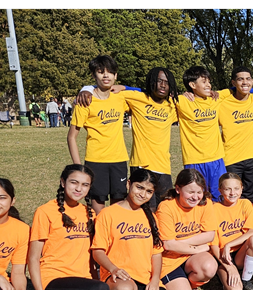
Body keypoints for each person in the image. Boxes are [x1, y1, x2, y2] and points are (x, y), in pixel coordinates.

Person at [28, 165, 128, 290]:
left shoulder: (89, 213)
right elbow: (33, 257)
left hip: (86, 283)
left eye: (85, 185)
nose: (78, 188)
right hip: (54, 280)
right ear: (62, 182)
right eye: (74, 182)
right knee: (99, 289)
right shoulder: (45, 211)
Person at [77, 66, 181, 210]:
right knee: (145, 209)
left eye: (167, 82)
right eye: (159, 81)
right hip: (141, 163)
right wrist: (87, 88)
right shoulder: (137, 98)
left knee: (165, 208)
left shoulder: (173, 105)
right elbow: (105, 88)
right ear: (151, 82)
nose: (163, 85)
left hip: (164, 167)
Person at [92, 168, 178, 290]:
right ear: (129, 184)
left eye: (149, 191)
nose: (143, 194)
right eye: (139, 187)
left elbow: (156, 253)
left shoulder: (150, 217)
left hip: (145, 279)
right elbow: (98, 251)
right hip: (120, 277)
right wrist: (113, 269)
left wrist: (154, 280)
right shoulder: (108, 214)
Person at [67, 55, 130, 214]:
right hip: (96, 161)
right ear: (94, 75)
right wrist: (79, 167)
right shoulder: (85, 101)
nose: (106, 75)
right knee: (99, 210)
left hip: (119, 159)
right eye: (101, 72)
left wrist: (124, 87)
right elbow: (71, 137)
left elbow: (144, 92)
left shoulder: (121, 98)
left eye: (110, 72)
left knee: (118, 207)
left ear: (116, 75)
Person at [156, 169, 219, 290]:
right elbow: (168, 245)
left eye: (199, 192)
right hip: (169, 261)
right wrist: (196, 248)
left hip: (190, 257)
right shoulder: (166, 207)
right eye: (190, 192)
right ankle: (167, 284)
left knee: (209, 267)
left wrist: (178, 243)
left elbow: (209, 235)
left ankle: (191, 286)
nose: (195, 197)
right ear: (178, 189)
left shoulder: (205, 203)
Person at [219, 66, 253, 202]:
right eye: (240, 79)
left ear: (252, 81)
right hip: (231, 158)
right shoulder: (222, 103)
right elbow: (214, 94)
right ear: (233, 83)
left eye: (248, 79)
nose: (245, 82)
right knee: (232, 197)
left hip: (251, 157)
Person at [176, 66, 226, 202]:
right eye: (204, 82)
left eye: (209, 81)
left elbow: (237, 88)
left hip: (216, 159)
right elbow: (158, 93)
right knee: (196, 198)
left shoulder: (215, 99)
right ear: (192, 85)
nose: (208, 85)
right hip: (194, 160)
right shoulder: (182, 101)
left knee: (220, 196)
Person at [211, 173, 253, 290]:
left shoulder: (245, 204)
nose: (232, 193)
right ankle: (222, 272)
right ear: (220, 190)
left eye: (236, 188)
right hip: (223, 256)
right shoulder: (213, 209)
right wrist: (229, 267)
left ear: (241, 189)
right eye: (227, 189)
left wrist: (229, 244)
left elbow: (252, 231)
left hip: (241, 253)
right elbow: (213, 244)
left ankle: (246, 279)